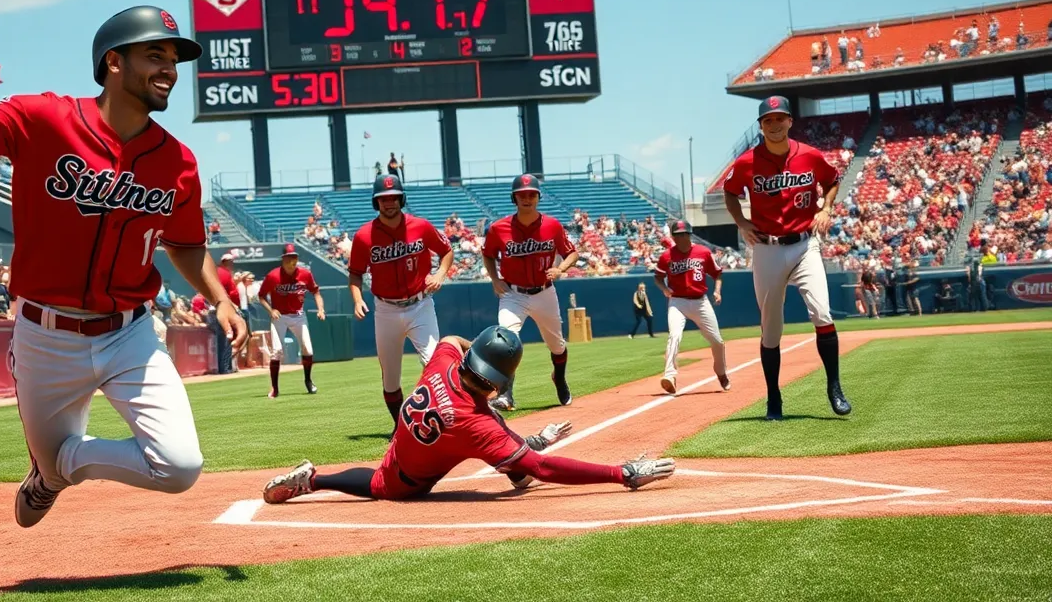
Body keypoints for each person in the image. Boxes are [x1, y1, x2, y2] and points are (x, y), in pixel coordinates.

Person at [0, 0, 248, 529]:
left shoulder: (179, 161)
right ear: (113, 61)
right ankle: (49, 470)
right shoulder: (44, 119)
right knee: (46, 468)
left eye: (174, 58)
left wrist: (221, 299)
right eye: (155, 54)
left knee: (180, 466)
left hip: (129, 333)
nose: (169, 68)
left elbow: (185, 245)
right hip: (46, 335)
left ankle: (59, 465)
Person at [261, 326, 675, 504]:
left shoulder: (443, 361)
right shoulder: (477, 423)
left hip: (406, 443)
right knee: (379, 484)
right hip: (407, 481)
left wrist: (476, 342)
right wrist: (621, 474)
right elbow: (540, 470)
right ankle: (314, 481)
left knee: (504, 450)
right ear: (499, 381)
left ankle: (313, 478)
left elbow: (448, 339)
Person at [723, 95, 850, 421]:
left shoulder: (809, 155)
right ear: (761, 126)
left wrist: (825, 207)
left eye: (780, 118)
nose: (775, 125)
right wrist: (741, 222)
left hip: (805, 244)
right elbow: (730, 191)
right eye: (768, 120)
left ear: (790, 121)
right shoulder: (746, 162)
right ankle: (773, 398)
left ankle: (834, 386)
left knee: (822, 312)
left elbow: (833, 180)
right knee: (771, 330)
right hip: (766, 248)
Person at [348, 174, 454, 434]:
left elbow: (447, 251)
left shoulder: (421, 226)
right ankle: (401, 428)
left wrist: (440, 274)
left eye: (394, 197)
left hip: (420, 305)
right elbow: (355, 273)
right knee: (391, 377)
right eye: (383, 199)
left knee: (434, 363)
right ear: (377, 202)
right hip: (385, 309)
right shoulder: (364, 236)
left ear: (401, 198)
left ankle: (444, 419)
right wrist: (358, 298)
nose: (389, 203)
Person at [481, 174, 578, 411]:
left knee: (557, 345)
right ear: (514, 198)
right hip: (513, 294)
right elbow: (488, 253)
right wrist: (495, 279)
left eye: (532, 194)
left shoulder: (552, 225)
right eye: (522, 194)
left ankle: (560, 378)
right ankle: (505, 395)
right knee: (505, 339)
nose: (527, 198)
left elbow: (572, 253)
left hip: (544, 293)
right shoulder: (498, 228)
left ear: (538, 197)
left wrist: (561, 268)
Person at [652, 220, 729, 395]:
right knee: (674, 335)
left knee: (717, 341)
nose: (682, 237)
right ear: (674, 237)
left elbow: (717, 274)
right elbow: (657, 277)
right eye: (678, 235)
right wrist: (664, 289)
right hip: (677, 302)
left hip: (700, 302)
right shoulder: (667, 256)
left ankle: (721, 372)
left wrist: (717, 291)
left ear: (689, 234)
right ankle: (669, 376)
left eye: (684, 234)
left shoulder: (703, 252)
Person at [258, 244, 325, 397]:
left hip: (298, 315)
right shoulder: (273, 276)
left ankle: (308, 380)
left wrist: (321, 309)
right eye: (289, 257)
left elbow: (316, 292)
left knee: (308, 349)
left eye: (294, 257)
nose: (292, 260)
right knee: (277, 351)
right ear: (283, 260)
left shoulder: (305, 274)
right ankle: (274, 388)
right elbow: (261, 296)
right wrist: (271, 310)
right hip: (279, 317)